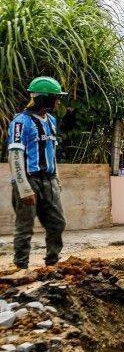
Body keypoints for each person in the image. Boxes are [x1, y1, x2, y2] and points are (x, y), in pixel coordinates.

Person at [7, 77, 67, 269]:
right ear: (44, 98)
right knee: (25, 227)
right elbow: (15, 155)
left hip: (49, 180)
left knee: (57, 223)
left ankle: (52, 263)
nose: (58, 101)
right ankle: (21, 267)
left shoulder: (51, 121)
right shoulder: (20, 122)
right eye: (55, 97)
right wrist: (23, 187)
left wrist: (56, 179)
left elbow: (51, 152)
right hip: (29, 179)